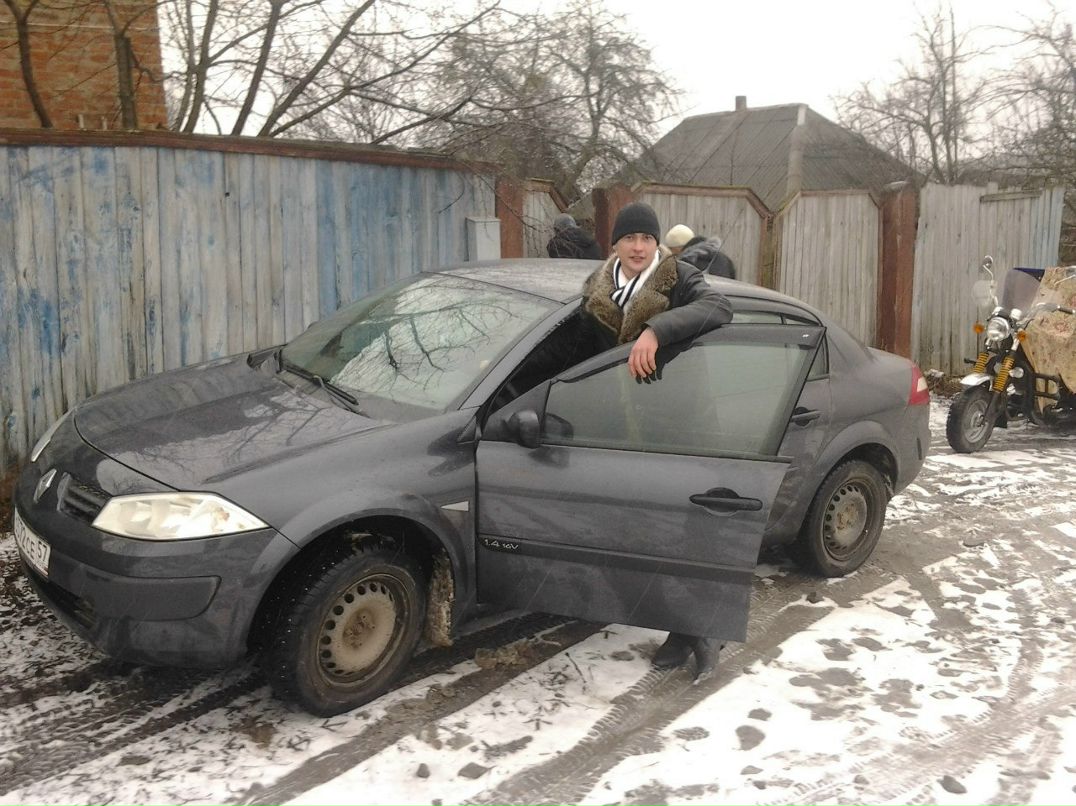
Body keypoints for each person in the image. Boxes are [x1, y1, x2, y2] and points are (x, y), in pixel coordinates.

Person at [579, 201, 733, 679]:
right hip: (625, 430)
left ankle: (702, 632)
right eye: (630, 238)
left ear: (658, 243)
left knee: (687, 534)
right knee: (646, 534)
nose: (639, 246)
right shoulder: (599, 287)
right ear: (617, 244)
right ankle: (679, 628)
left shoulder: (680, 278)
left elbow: (718, 307)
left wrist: (654, 329)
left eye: (647, 238)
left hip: (681, 423)